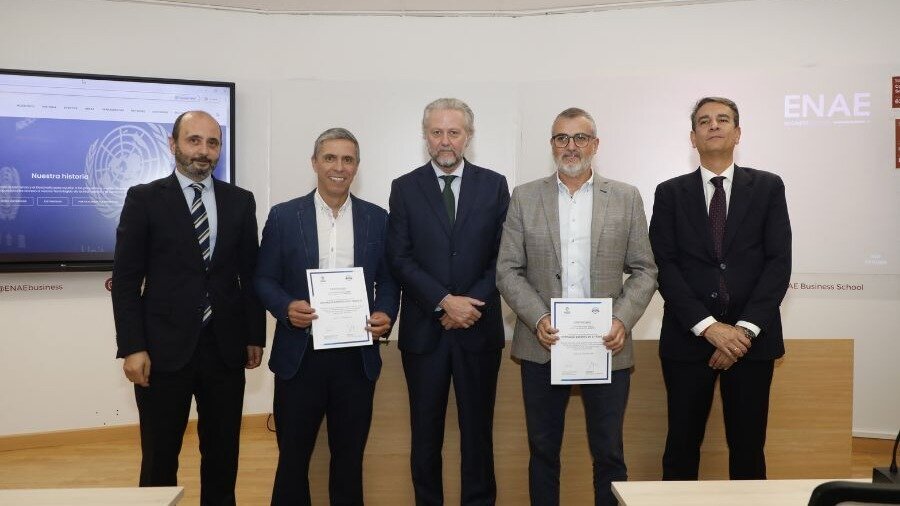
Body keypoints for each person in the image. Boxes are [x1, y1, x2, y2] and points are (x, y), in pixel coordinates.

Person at [496, 107, 657, 506]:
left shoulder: (625, 197)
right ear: (552, 145)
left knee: (609, 453)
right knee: (543, 452)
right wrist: (537, 318)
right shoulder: (524, 196)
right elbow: (507, 270)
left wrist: (621, 318)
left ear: (595, 145)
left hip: (606, 344)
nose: (571, 147)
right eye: (561, 139)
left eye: (580, 138)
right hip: (542, 342)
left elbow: (645, 270)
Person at [112, 110, 265, 505]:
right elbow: (126, 281)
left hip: (225, 350)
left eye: (212, 143)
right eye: (194, 140)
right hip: (162, 353)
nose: (203, 151)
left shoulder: (240, 201)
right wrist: (132, 346)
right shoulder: (144, 199)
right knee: (160, 458)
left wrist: (253, 336)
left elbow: (250, 275)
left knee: (222, 457)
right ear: (173, 144)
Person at [649, 97, 792, 480]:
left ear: (738, 133)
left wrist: (742, 332)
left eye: (723, 119)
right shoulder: (669, 193)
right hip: (689, 338)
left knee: (748, 449)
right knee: (681, 447)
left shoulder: (767, 187)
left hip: (753, 343)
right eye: (704, 121)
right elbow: (665, 266)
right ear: (693, 137)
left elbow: (778, 264)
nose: (714, 125)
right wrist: (709, 327)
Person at [255, 128, 400, 505]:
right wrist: (286, 307)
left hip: (356, 359)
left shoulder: (377, 219)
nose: (339, 167)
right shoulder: (285, 216)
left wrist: (386, 312)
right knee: (292, 461)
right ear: (315, 163)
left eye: (348, 159)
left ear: (357, 166)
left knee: (349, 460)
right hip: (299, 358)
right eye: (330, 158)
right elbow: (263, 278)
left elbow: (388, 280)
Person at [386, 98, 509, 505]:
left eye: (453, 132)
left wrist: (467, 303)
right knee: (425, 435)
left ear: (468, 137)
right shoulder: (404, 188)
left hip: (477, 328)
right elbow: (399, 258)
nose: (445, 141)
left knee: (478, 434)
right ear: (425, 136)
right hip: (426, 331)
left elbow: (503, 256)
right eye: (436, 132)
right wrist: (442, 301)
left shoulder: (494, 185)